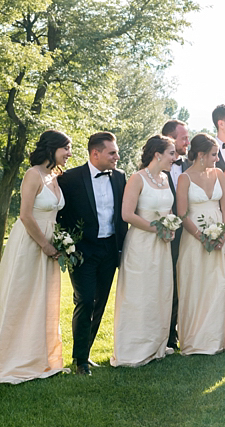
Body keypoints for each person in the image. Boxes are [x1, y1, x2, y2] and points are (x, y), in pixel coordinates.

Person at [0, 131, 71, 384]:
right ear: (52, 149)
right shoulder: (34, 174)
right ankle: (12, 356)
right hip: (30, 242)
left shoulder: (56, 176)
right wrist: (45, 245)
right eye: (66, 148)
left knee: (43, 299)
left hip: (49, 243)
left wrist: (59, 242)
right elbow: (26, 215)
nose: (69, 153)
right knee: (22, 296)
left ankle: (39, 355)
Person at [57, 131, 128, 376]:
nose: (117, 157)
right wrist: (66, 243)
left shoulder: (119, 177)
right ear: (95, 153)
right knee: (85, 300)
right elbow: (60, 214)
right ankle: (80, 361)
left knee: (99, 302)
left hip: (110, 249)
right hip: (82, 250)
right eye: (112, 152)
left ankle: (85, 353)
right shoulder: (69, 178)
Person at [111, 135, 176, 366]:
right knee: (139, 293)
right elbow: (127, 214)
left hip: (162, 245)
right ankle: (132, 349)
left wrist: (170, 227)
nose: (174, 158)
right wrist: (156, 229)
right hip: (140, 244)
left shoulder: (166, 178)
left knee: (159, 292)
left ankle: (155, 345)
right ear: (157, 154)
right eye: (171, 153)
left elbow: (167, 210)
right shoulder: (137, 178)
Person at [175, 133, 225, 355]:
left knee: (220, 285)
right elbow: (182, 214)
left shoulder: (219, 174)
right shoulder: (185, 179)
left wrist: (223, 235)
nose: (216, 158)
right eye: (213, 154)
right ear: (200, 155)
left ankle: (218, 338)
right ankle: (197, 339)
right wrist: (202, 237)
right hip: (194, 240)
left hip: (220, 235)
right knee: (197, 285)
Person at [161, 118, 191, 351]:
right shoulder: (153, 170)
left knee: (187, 284)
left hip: (191, 234)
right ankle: (168, 335)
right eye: (183, 138)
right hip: (165, 236)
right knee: (168, 285)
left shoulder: (192, 165)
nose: (187, 142)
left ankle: (186, 330)